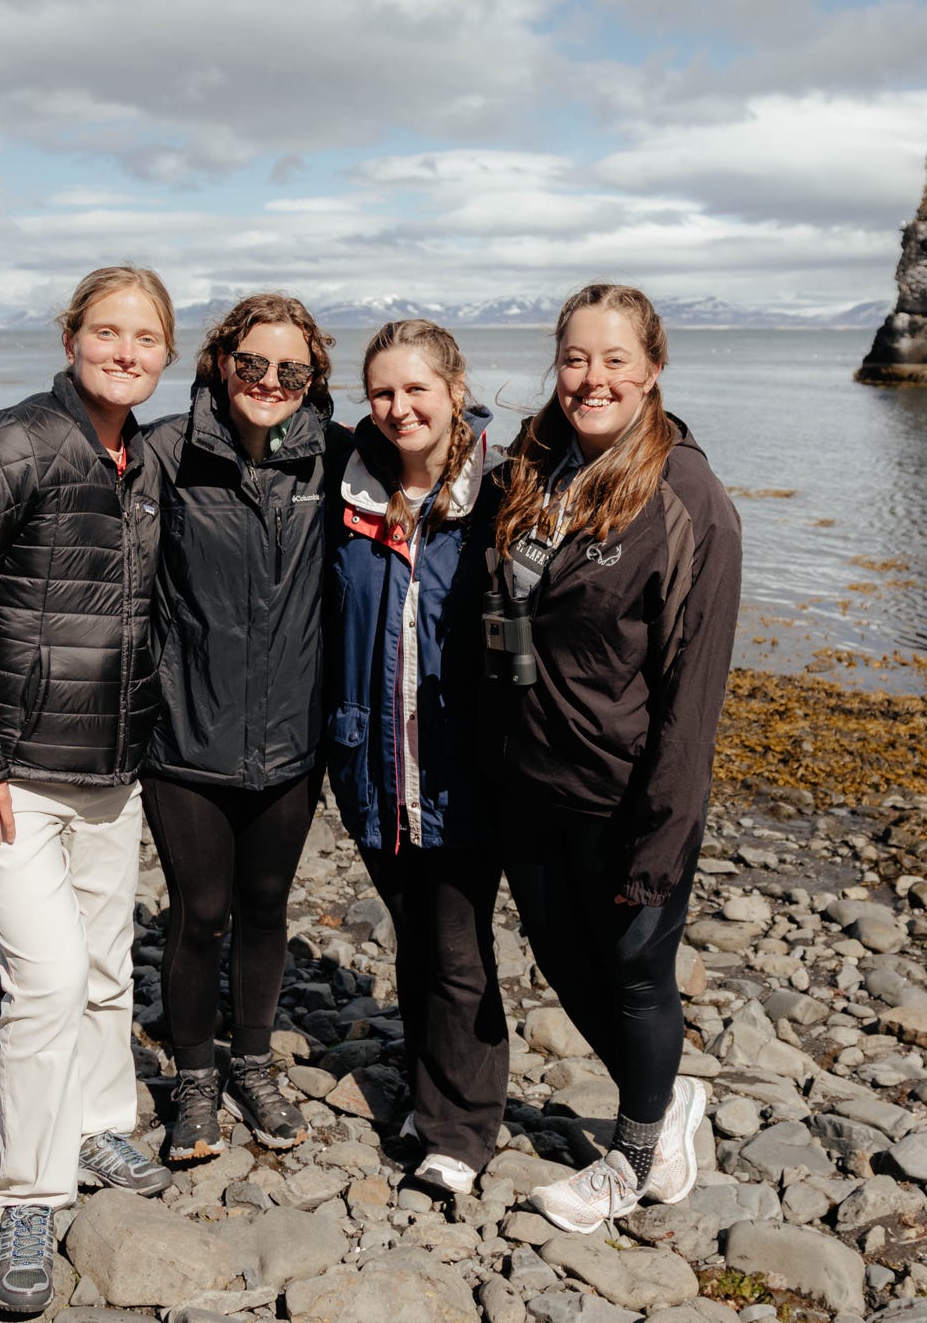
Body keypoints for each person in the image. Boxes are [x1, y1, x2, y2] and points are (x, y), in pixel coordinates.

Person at [0, 267, 178, 1316]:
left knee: (109, 964)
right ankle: (26, 1196)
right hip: (9, 776)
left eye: (144, 336)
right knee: (51, 977)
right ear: (69, 335)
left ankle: (98, 1117)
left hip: (112, 768)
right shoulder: (5, 442)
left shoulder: (148, 457)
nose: (124, 350)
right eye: (106, 331)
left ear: (165, 352)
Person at [482, 282, 742, 1232]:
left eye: (615, 360)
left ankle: (637, 1159)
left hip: (627, 790)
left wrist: (664, 835)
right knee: (561, 956)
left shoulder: (688, 500)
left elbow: (694, 691)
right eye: (577, 359)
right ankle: (667, 1099)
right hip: (528, 777)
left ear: (653, 370)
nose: (592, 379)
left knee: (636, 972)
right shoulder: (531, 463)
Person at [140, 293, 344, 1162]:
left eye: (290, 369)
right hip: (185, 738)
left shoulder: (336, 460)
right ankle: (194, 1081)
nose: (269, 381)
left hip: (292, 740)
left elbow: (438, 455)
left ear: (313, 378)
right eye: (252, 364)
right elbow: (104, 581)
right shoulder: (163, 453)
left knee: (267, 909)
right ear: (221, 363)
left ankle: (253, 1065)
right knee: (201, 913)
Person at [326, 318, 508, 1197]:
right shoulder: (348, 489)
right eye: (383, 393)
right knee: (415, 940)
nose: (400, 409)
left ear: (455, 388)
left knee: (458, 947)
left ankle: (462, 1134)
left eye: (416, 390)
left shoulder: (508, 490)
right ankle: (433, 1090)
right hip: (370, 762)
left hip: (461, 764)